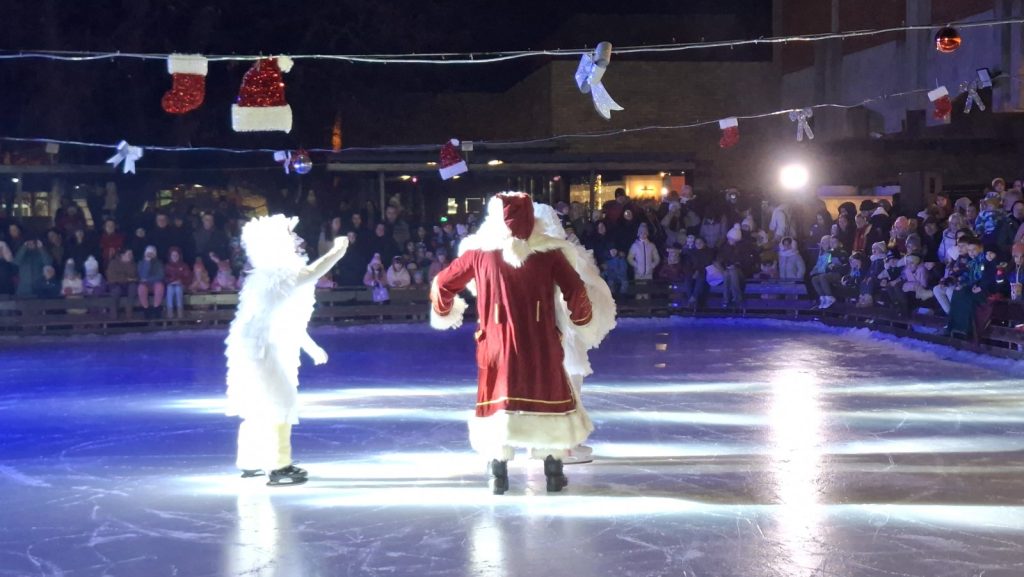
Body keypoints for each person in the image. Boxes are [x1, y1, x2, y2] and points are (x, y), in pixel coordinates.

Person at [429, 193, 615, 494]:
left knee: (498, 400)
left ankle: (498, 472)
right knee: (548, 396)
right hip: (541, 343)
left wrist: (444, 311)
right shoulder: (550, 253)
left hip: (496, 346)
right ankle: (553, 471)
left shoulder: (479, 254)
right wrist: (583, 321)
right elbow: (576, 290)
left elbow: (443, 283)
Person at [225, 214, 349, 487]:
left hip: (255, 346)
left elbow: (287, 320)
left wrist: (312, 347)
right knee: (281, 401)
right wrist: (338, 251)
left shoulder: (267, 275)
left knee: (260, 402)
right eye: (291, 236)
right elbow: (312, 273)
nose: (297, 240)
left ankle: (250, 459)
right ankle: (279, 465)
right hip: (261, 349)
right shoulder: (278, 274)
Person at [137, 245, 166, 319]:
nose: (150, 255)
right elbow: (143, 276)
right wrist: (147, 262)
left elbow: (160, 276)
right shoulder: (141, 263)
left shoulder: (159, 263)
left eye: (151, 253)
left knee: (160, 286)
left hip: (155, 283)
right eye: (148, 253)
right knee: (141, 287)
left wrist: (148, 280)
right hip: (145, 285)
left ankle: (156, 308)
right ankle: (146, 309)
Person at [164, 247, 192, 319]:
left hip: (182, 285)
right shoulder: (167, 266)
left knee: (178, 289)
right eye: (173, 255)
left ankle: (180, 313)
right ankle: (170, 314)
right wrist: (171, 281)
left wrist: (181, 281)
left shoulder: (184, 265)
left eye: (176, 255)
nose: (175, 257)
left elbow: (188, 278)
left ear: (179, 256)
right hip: (171, 285)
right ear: (170, 256)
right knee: (170, 289)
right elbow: (164, 278)